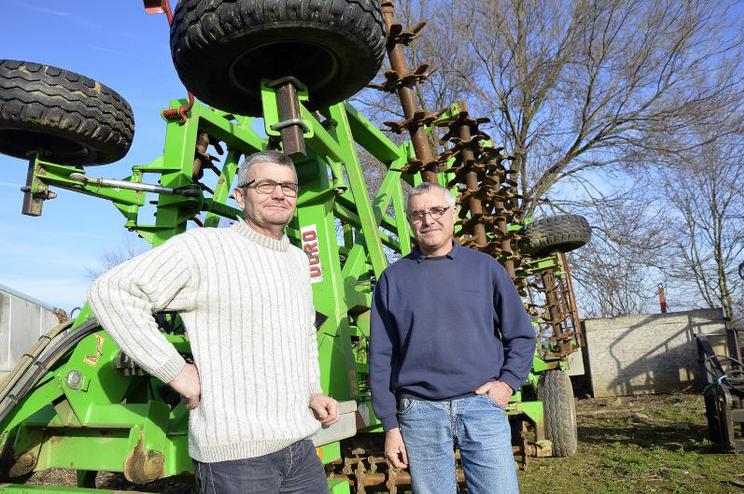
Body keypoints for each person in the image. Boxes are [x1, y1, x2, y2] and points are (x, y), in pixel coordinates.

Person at [88, 150, 338, 494]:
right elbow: (112, 292)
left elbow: (303, 333)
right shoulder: (204, 249)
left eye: (289, 187)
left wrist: (313, 390)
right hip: (236, 460)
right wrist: (175, 370)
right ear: (240, 195)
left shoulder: (296, 260)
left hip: (300, 448)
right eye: (265, 185)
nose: (280, 194)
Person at [369, 182, 536, 494]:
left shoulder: (485, 269)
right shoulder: (393, 279)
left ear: (454, 214)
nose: (428, 220)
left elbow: (521, 335)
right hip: (419, 414)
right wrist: (390, 425)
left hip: (481, 407)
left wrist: (507, 383)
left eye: (436, 210)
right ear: (409, 221)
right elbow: (380, 357)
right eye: (418, 214)